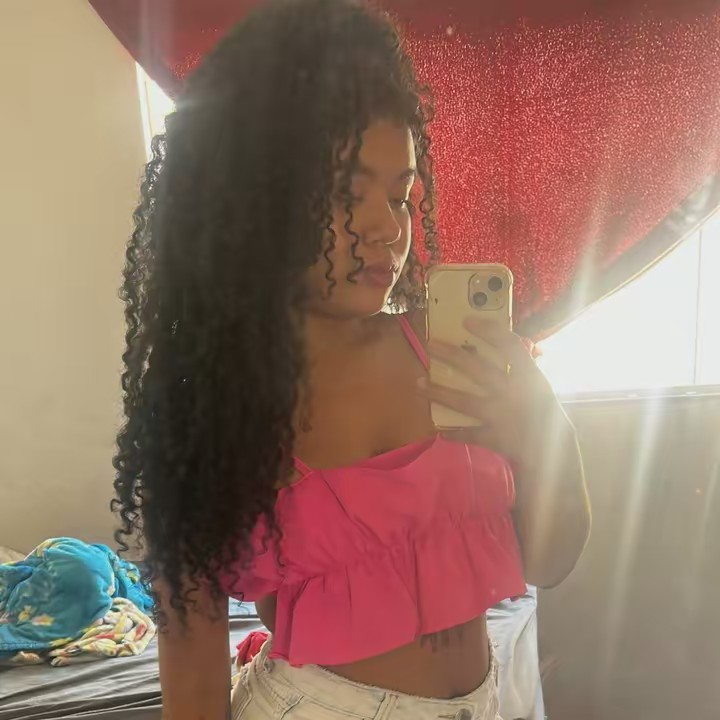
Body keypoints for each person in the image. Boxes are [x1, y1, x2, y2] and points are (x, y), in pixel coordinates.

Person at [113, 1, 591, 718]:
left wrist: (541, 427)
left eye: (400, 196)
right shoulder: (220, 404)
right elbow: (192, 657)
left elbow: (551, 561)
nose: (385, 227)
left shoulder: (449, 352)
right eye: (346, 194)